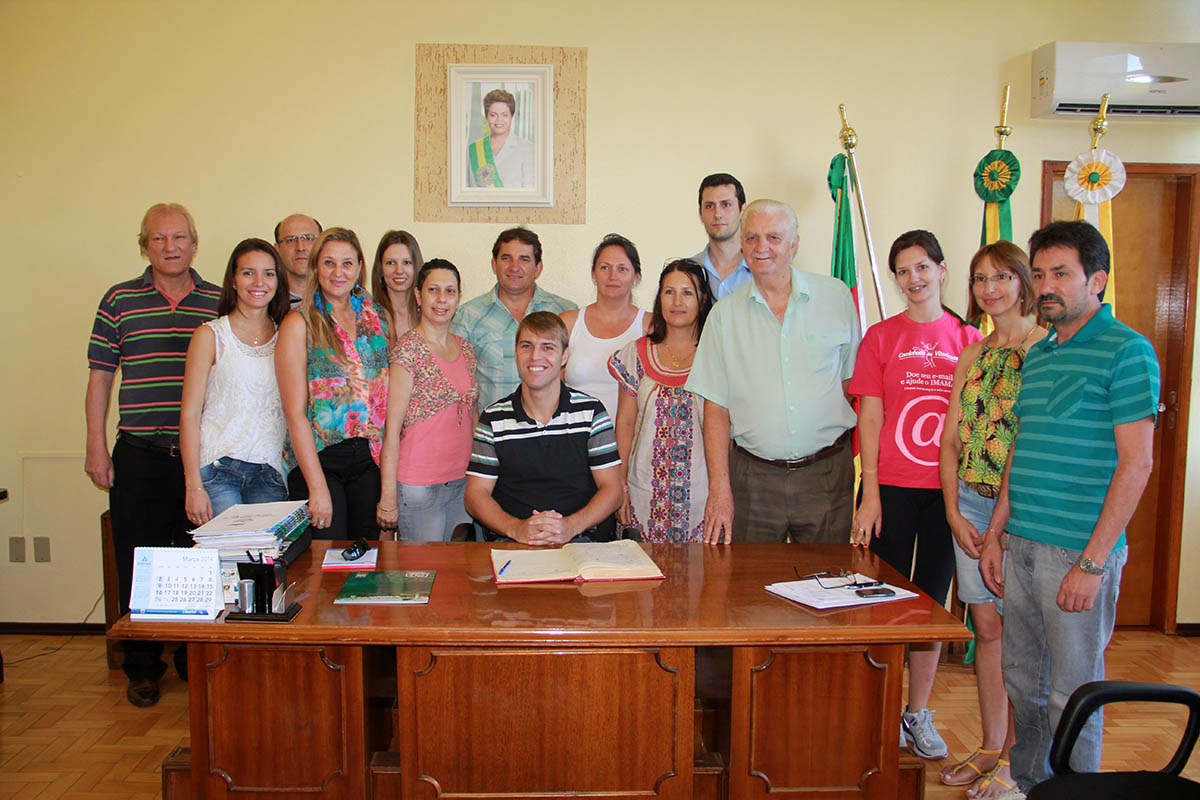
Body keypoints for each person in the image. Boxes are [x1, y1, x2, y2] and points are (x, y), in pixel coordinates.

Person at [979, 220, 1159, 798]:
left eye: (1061, 274)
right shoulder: (1039, 354)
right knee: (1022, 682)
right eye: (1039, 274)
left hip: (1077, 552)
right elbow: (1022, 450)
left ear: (1096, 280)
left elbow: (1137, 464)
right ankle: (1030, 783)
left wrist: (1092, 562)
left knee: (1073, 693)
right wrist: (995, 536)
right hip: (1022, 544)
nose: (1046, 286)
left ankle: (1077, 792)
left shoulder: (1128, 351)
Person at [848, 229, 983, 762]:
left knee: (929, 605)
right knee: (878, 601)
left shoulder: (970, 339)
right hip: (890, 490)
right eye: (903, 271)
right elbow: (871, 418)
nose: (913, 278)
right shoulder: (881, 338)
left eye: (922, 267)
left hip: (949, 496)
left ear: (942, 270)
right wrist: (871, 492)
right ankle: (877, 707)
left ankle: (917, 712)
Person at [85, 202, 220, 707]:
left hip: (200, 457)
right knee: (139, 560)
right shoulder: (119, 300)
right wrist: (96, 446)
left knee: (199, 561)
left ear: (194, 243)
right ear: (144, 246)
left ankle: (192, 657)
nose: (170, 247)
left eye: (179, 237)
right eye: (159, 239)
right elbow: (101, 378)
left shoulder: (218, 300)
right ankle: (142, 666)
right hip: (139, 453)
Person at [937, 241, 1045, 797]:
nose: (990, 288)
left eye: (1002, 276)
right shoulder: (973, 353)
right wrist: (954, 511)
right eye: (980, 279)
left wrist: (997, 526)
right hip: (971, 505)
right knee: (986, 629)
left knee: (1021, 637)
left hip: (1018, 509)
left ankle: (1013, 762)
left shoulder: (1044, 348)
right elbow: (949, 441)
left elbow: (1028, 446)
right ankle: (988, 744)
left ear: (1023, 281)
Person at [686, 199, 860, 544]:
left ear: (794, 243)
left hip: (826, 475)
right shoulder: (724, 316)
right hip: (753, 480)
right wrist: (720, 490)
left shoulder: (836, 297)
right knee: (751, 579)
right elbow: (715, 409)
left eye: (774, 237)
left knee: (828, 576)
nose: (761, 247)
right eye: (751, 238)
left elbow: (850, 384)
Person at [464, 312, 623, 544]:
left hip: (581, 542)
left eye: (547, 347)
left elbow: (613, 490)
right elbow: (475, 495)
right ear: (516, 353)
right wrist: (516, 529)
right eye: (526, 346)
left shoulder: (591, 413)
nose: (535, 356)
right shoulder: (493, 419)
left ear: (564, 356)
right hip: (513, 543)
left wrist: (570, 527)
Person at [276, 228, 390, 540]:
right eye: (329, 263)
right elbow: (294, 413)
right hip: (321, 461)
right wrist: (316, 487)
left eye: (347, 263)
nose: (338, 272)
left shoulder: (378, 318)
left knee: (366, 557)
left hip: (369, 459)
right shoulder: (299, 323)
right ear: (316, 266)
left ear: (359, 268)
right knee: (326, 559)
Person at [180, 238, 292, 524]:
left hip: (270, 474)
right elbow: (190, 415)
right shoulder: (209, 335)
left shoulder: (288, 336)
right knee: (229, 552)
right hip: (218, 471)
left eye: (268, 273)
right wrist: (193, 486)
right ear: (233, 279)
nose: (259, 282)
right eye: (248, 273)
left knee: (264, 555)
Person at [609, 259, 715, 542]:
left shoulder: (716, 356)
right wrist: (620, 486)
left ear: (703, 300)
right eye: (669, 292)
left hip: (702, 497)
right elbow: (625, 424)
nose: (677, 301)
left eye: (687, 292)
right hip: (643, 494)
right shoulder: (635, 355)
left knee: (703, 570)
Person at [377, 259, 478, 541]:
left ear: (458, 298)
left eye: (450, 291)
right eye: (433, 290)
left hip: (462, 481)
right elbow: (391, 430)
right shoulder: (408, 351)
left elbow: (473, 418)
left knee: (460, 565)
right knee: (423, 567)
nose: (442, 299)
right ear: (419, 296)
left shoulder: (466, 350)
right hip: (419, 487)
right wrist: (388, 496)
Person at [453, 227, 576, 409]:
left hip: (553, 424)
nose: (514, 267)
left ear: (538, 268)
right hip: (492, 424)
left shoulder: (565, 312)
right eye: (506, 258)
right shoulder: (468, 316)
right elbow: (456, 382)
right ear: (494, 264)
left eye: (524, 259)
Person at [560, 233, 651, 423]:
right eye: (605, 267)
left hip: (631, 438)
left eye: (622, 269)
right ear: (594, 274)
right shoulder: (568, 323)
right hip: (575, 436)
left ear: (636, 277)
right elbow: (550, 387)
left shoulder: (650, 326)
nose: (612, 276)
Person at [692, 173, 752, 299]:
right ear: (700, 213)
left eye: (726, 205)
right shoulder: (689, 272)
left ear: (742, 210)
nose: (717, 214)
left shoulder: (763, 270)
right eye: (709, 206)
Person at [466, 88, 534, 188]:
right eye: (493, 115)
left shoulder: (527, 149)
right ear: (486, 116)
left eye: (504, 115)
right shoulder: (473, 149)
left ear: (512, 116)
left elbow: (530, 191)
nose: (499, 120)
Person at [370, 229, 422, 345]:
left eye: (406, 262)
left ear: (416, 267)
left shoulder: (430, 314)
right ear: (381, 269)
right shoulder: (369, 317)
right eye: (391, 263)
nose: (399, 271)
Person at [274, 213, 322, 309]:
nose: (300, 248)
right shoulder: (265, 301)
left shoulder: (341, 296)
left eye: (308, 238)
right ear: (277, 249)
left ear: (321, 245)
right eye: (290, 240)